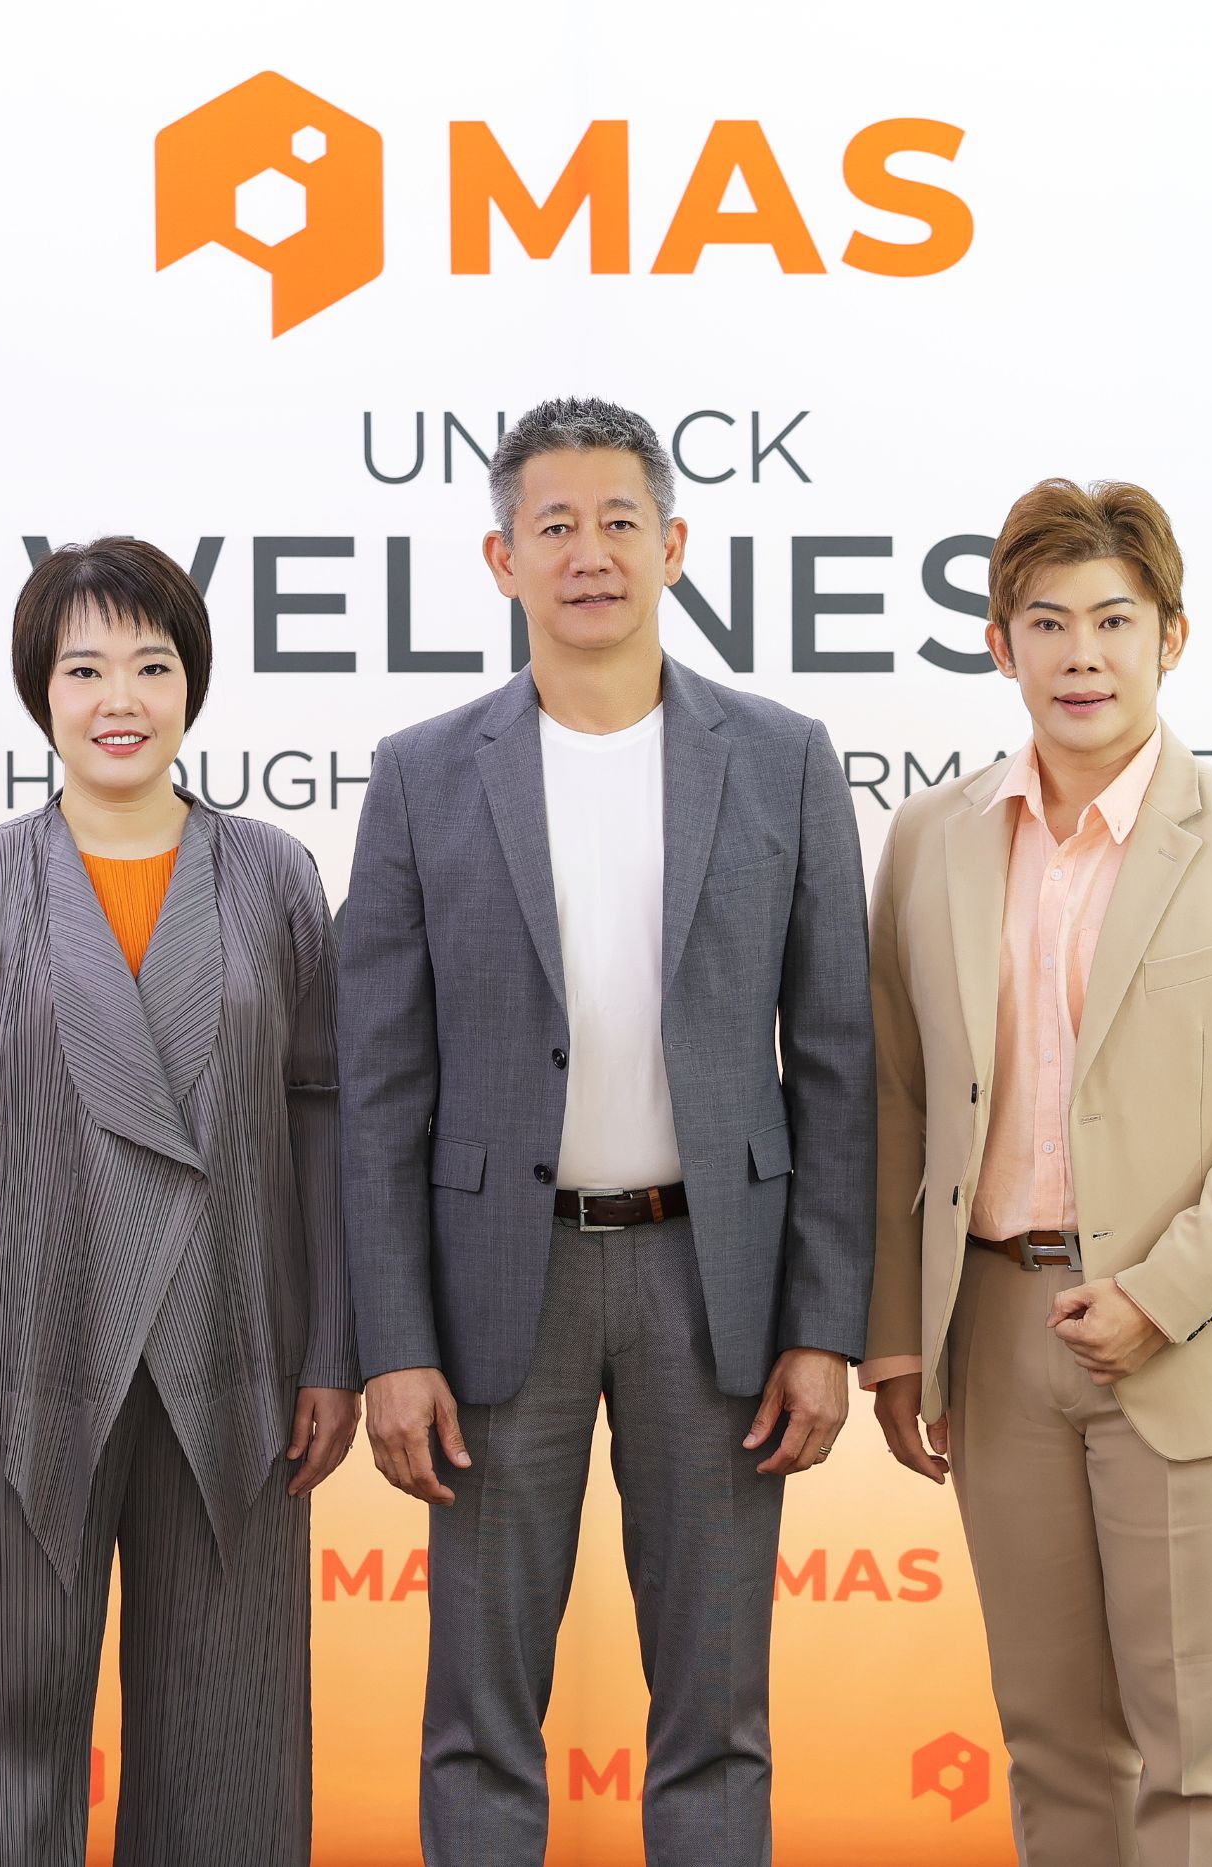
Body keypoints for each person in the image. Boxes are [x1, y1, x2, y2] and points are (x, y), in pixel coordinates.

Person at [339, 397, 874, 1865]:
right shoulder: (422, 772)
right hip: (496, 1291)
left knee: (719, 1709)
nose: (591, 554)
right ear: (502, 558)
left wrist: (824, 1325)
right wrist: (393, 1343)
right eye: (556, 526)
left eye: (621, 522)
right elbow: (377, 1086)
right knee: (479, 1713)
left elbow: (837, 1063)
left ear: (675, 546)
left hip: (720, 1288)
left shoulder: (782, 758)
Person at [859, 480, 1212, 1864]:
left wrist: (1160, 1294)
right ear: (999, 644)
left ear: (1170, 638)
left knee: (1202, 1750)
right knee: (1053, 1741)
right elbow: (898, 1101)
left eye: (1114, 621)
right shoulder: (929, 839)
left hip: (1182, 1336)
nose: (1080, 655)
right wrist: (898, 1340)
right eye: (1047, 623)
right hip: (993, 1329)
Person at [0, 536, 359, 1864]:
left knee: (231, 1744)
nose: (120, 700)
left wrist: (333, 1352)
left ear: (192, 683)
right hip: (19, 1357)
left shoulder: (274, 875)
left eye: (151, 665)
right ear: (40, 690)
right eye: (84, 669)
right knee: (2, 1737)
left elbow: (323, 1121)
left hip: (239, 1353)